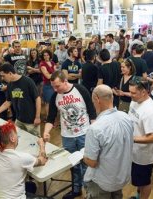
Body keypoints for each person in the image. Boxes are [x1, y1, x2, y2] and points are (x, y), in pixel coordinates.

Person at [43, 71, 96, 199]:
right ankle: (76, 189)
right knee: (73, 165)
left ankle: (89, 192)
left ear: (65, 81)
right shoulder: (55, 96)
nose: (55, 89)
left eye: (57, 86)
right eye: (53, 87)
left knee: (86, 165)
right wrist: (45, 132)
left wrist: (95, 132)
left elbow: (92, 111)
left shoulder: (80, 90)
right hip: (67, 137)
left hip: (85, 133)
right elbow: (50, 118)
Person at [83, 85, 133, 199]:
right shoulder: (126, 117)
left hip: (102, 182)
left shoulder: (95, 128)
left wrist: (84, 156)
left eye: (93, 101)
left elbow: (92, 162)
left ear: (97, 99)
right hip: (120, 177)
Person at [0, 121, 47, 198]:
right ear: (12, 139)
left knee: (31, 186)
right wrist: (42, 145)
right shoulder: (22, 158)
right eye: (16, 134)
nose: (17, 136)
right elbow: (42, 161)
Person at [128, 76, 153, 199]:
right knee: (138, 181)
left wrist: (131, 138)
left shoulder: (150, 112)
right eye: (130, 91)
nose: (130, 95)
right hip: (134, 152)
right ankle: (138, 196)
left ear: (144, 92)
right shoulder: (136, 100)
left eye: (133, 93)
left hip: (143, 156)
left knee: (144, 182)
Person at [0, 63, 41, 137]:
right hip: (19, 120)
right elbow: (8, 102)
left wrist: (37, 117)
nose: (2, 78)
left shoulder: (28, 81)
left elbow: (37, 99)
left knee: (35, 142)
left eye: (3, 76)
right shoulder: (10, 85)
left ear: (10, 73)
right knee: (20, 140)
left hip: (31, 121)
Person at [39, 49, 57, 118]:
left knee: (54, 102)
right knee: (48, 103)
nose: (46, 57)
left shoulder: (52, 63)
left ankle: (53, 117)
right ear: (43, 56)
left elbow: (53, 74)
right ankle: (48, 118)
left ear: (50, 55)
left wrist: (53, 74)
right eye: (44, 55)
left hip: (54, 85)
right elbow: (48, 76)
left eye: (47, 55)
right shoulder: (42, 64)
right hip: (47, 85)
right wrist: (54, 73)